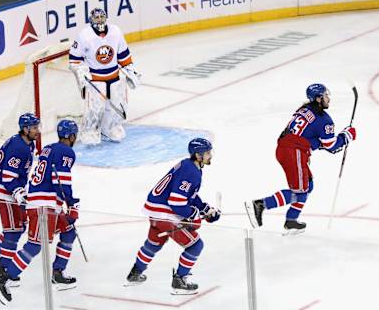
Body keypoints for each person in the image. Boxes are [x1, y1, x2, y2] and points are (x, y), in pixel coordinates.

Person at [245, 83, 357, 234]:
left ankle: (291, 220)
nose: (328, 98)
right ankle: (261, 205)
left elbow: (309, 137)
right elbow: (331, 146)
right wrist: (346, 136)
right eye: (325, 95)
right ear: (318, 99)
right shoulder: (324, 120)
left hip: (287, 150)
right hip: (293, 153)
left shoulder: (305, 109)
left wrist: (318, 144)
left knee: (307, 186)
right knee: (300, 191)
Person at [0, 120, 80, 303]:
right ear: (71, 136)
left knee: (69, 232)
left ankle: (58, 272)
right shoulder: (67, 152)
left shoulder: (48, 148)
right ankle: (5, 276)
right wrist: (72, 204)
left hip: (43, 202)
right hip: (43, 206)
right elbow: (62, 182)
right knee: (35, 245)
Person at [125, 138, 221, 295]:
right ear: (198, 155)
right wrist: (194, 215)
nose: (210, 155)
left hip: (155, 211)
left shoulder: (187, 164)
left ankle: (135, 273)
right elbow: (176, 202)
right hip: (165, 214)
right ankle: (179, 280)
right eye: (207, 153)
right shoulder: (192, 172)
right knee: (195, 245)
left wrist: (204, 208)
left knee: (155, 242)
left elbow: (189, 195)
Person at [0, 113, 40, 281]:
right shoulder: (18, 147)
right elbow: (8, 177)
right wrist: (18, 192)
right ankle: (4, 269)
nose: (38, 130)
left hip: (11, 190)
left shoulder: (27, 144)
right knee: (13, 230)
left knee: (20, 226)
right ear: (26, 129)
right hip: (4, 191)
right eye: (35, 127)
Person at [68, 7, 140, 145]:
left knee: (117, 106)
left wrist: (130, 70)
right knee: (95, 108)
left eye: (102, 17)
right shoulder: (84, 35)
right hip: (95, 79)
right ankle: (90, 131)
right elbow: (74, 59)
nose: (99, 20)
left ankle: (110, 129)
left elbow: (123, 54)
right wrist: (82, 73)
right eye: (96, 18)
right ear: (91, 20)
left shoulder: (115, 31)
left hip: (114, 77)